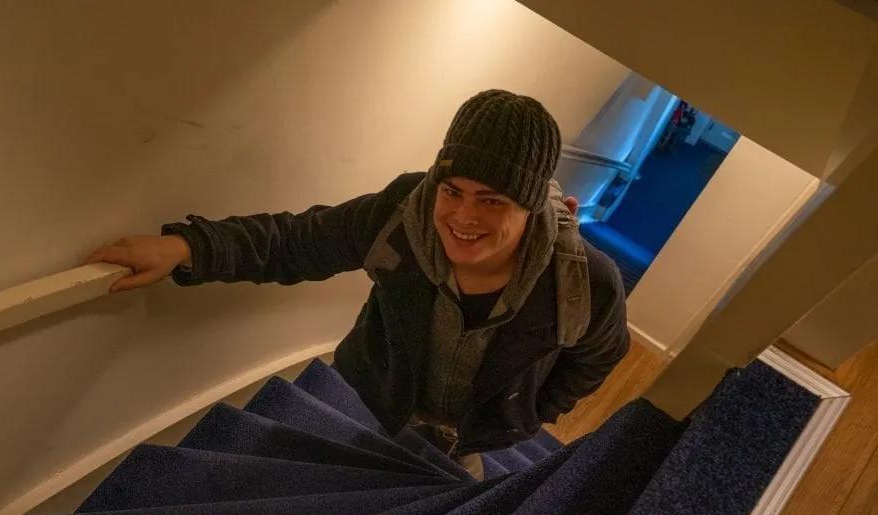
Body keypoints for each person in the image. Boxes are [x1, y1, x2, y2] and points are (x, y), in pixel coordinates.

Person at [87, 90, 630, 477]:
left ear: (532, 206)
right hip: (368, 403)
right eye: (452, 190)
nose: (462, 217)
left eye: (492, 200)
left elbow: (597, 358)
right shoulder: (403, 214)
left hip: (475, 438)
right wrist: (188, 247)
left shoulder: (586, 283)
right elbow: (297, 240)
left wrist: (531, 412)